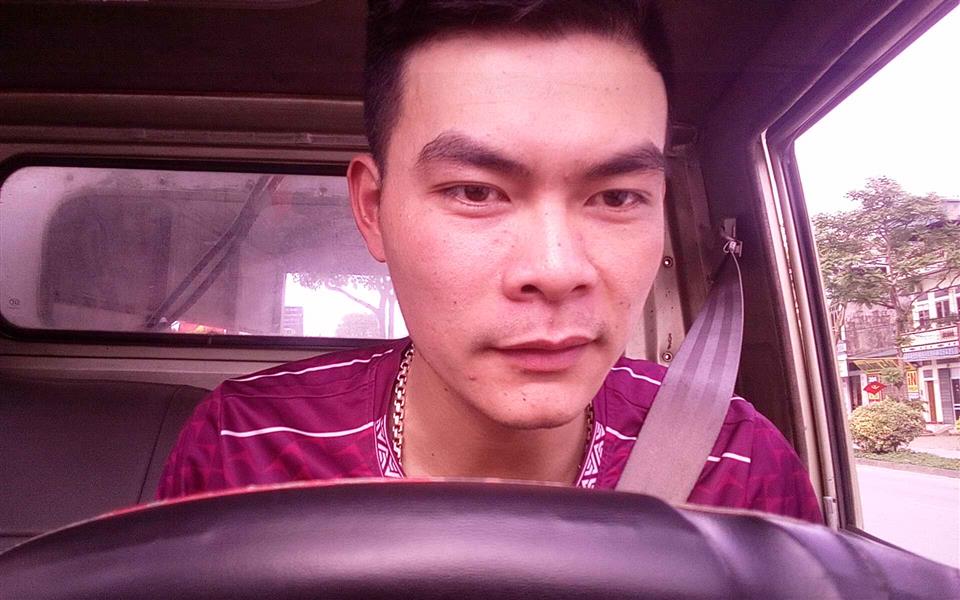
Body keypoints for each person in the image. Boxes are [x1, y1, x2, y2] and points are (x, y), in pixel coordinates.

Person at [158, 0, 822, 524]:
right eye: (475, 192)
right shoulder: (245, 445)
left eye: (617, 196)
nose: (556, 270)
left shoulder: (737, 465)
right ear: (373, 211)